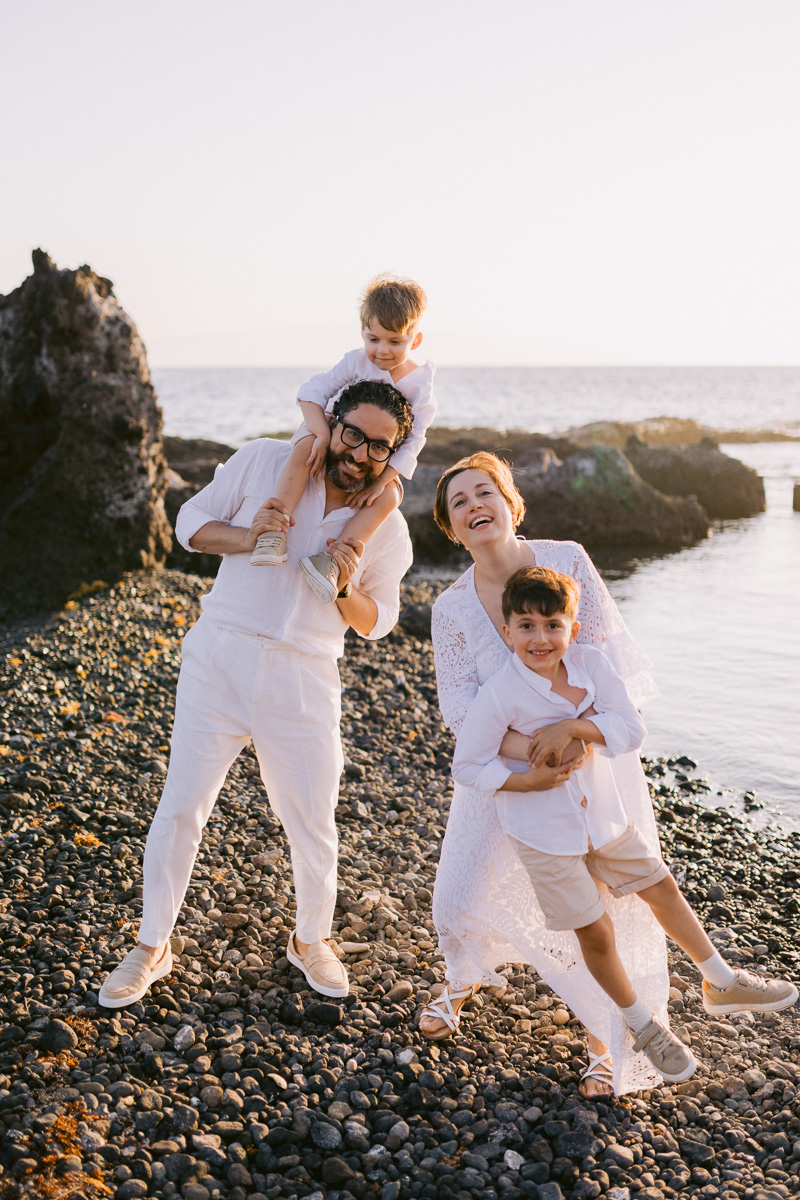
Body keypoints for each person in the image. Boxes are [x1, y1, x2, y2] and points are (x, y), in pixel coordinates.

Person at [98, 381, 414, 1008]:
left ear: (392, 455)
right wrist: (249, 538)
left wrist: (345, 588)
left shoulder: (387, 526)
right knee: (181, 806)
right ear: (333, 423)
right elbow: (188, 524)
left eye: (379, 446)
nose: (360, 453)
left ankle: (310, 939)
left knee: (312, 821)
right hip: (220, 657)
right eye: (353, 434)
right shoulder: (268, 461)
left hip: (304, 677)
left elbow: (379, 621)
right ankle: (152, 944)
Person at [452, 565, 797, 1083]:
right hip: (543, 835)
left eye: (552, 625)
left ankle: (720, 982)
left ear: (571, 627)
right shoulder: (501, 692)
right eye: (526, 626)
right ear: (508, 633)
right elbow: (467, 764)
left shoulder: (591, 663)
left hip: (605, 818)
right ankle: (643, 1026)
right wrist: (525, 783)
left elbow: (630, 728)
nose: (540, 638)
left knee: (661, 885)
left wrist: (574, 726)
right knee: (596, 931)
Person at [419, 451, 667, 1096]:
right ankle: (462, 977)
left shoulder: (568, 559)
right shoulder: (452, 608)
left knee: (600, 907)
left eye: (485, 493)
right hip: (501, 763)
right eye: (459, 503)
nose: (475, 506)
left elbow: (609, 656)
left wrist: (575, 734)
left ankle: (604, 1039)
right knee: (457, 895)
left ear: (510, 503)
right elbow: (457, 705)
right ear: (451, 526)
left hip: (589, 764)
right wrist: (528, 749)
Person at [250, 274, 435, 603]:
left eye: (395, 342)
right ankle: (274, 532)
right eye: (373, 338)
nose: (382, 350)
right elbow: (311, 393)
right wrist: (321, 432)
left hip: (377, 456)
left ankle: (333, 562)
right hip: (335, 435)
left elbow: (413, 443)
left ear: (415, 341)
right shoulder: (356, 360)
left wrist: (383, 481)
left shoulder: (421, 386)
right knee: (306, 447)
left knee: (391, 496)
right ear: (362, 332)